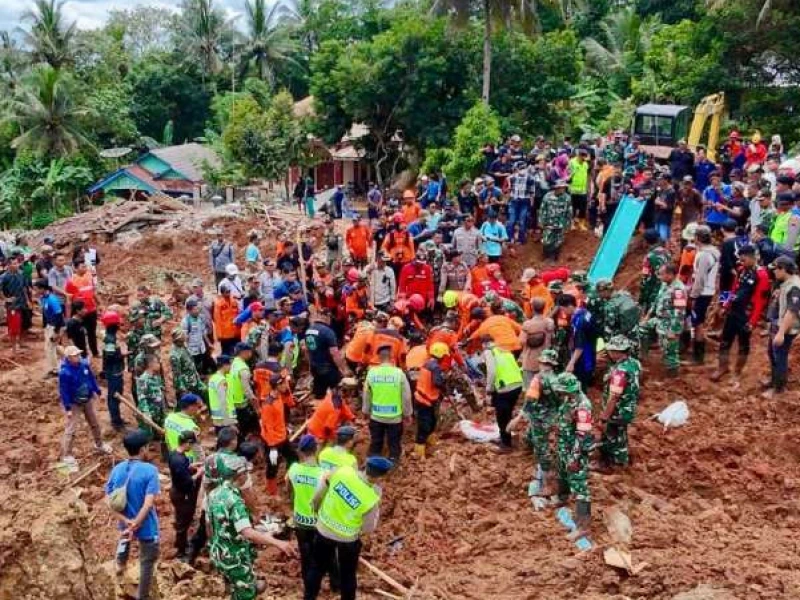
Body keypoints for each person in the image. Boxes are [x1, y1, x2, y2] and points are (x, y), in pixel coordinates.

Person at [207, 455, 296, 600]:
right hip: (234, 557)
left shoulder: (214, 494)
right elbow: (247, 532)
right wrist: (277, 542)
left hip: (219, 552)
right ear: (240, 475)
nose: (248, 476)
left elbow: (210, 525)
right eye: (246, 473)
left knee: (232, 587)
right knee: (246, 594)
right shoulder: (235, 501)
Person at [307, 456, 392, 600]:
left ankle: (308, 597)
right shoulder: (371, 497)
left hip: (324, 529)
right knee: (348, 575)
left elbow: (321, 490)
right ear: (382, 476)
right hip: (348, 539)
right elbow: (368, 528)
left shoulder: (343, 471)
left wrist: (315, 508)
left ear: (365, 466)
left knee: (317, 568)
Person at [105, 430, 161, 600]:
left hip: (125, 522)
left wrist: (127, 521)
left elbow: (107, 500)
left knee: (124, 540)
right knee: (147, 561)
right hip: (146, 525)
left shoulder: (117, 469)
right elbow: (148, 503)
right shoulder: (150, 470)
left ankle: (120, 565)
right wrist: (136, 523)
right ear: (143, 449)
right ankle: (142, 596)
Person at [507, 348, 560, 498]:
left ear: (542, 362)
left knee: (542, 448)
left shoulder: (538, 379)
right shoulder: (557, 379)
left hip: (539, 418)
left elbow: (530, 401)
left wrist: (517, 418)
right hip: (552, 417)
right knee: (532, 435)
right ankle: (527, 448)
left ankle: (547, 480)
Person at [552, 373, 594, 539]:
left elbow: (582, 434)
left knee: (579, 486)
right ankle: (562, 496)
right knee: (562, 472)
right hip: (564, 445)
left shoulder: (583, 406)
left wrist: (575, 457)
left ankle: (583, 526)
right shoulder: (568, 399)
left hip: (576, 449)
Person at [58, 345, 113, 470]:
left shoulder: (84, 365)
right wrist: (68, 408)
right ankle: (67, 455)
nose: (78, 357)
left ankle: (99, 444)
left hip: (86, 399)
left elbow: (91, 379)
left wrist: (97, 392)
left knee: (94, 424)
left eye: (78, 354)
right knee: (71, 429)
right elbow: (64, 391)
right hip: (74, 403)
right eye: (75, 355)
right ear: (69, 357)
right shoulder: (64, 373)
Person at [712, 245, 758, 382]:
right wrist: (725, 305)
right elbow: (733, 289)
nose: (741, 262)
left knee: (743, 343)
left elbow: (760, 301)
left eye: (743, 260)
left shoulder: (761, 274)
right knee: (725, 340)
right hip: (733, 312)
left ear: (752, 257)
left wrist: (753, 321)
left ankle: (738, 371)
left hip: (746, 315)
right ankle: (722, 367)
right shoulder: (741, 270)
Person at [286, 434, 324, 595]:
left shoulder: (294, 469)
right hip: (318, 523)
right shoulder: (324, 474)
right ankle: (314, 589)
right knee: (319, 558)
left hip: (300, 520)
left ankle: (307, 584)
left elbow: (289, 488)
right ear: (316, 450)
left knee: (305, 554)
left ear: (301, 451)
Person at [597, 336, 641, 470]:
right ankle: (619, 460)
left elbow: (614, 397)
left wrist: (604, 417)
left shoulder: (619, 372)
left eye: (611, 350)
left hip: (618, 410)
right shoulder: (634, 363)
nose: (609, 353)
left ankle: (616, 463)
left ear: (617, 352)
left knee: (613, 436)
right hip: (629, 406)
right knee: (620, 434)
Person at [363, 345, 413, 462]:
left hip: (376, 416)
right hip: (394, 418)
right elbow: (406, 396)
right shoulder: (398, 373)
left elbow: (366, 394)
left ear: (379, 358)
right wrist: (407, 414)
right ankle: (393, 464)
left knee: (376, 443)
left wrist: (365, 411)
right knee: (394, 444)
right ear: (391, 357)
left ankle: (372, 466)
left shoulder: (372, 373)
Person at [640, 263, 687, 377]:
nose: (659, 277)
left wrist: (673, 330)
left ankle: (672, 374)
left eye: (661, 274)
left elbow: (680, 312)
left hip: (670, 323)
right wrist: (648, 315)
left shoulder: (678, 290)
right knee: (641, 329)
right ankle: (643, 356)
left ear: (670, 275)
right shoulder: (664, 284)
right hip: (659, 319)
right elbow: (657, 300)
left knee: (669, 349)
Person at [763, 256, 800, 398]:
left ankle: (779, 389)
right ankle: (774, 380)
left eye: (775, 269)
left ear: (783, 269)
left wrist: (781, 333)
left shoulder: (794, 287)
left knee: (780, 356)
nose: (773, 272)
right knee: (772, 353)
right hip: (778, 323)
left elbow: (791, 312)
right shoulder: (785, 283)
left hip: (786, 327)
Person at [482, 335, 524, 452]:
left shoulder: (489, 352)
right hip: (517, 384)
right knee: (508, 413)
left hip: (505, 387)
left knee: (502, 416)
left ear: (484, 344)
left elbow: (491, 372)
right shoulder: (504, 349)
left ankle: (506, 444)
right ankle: (505, 437)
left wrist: (489, 390)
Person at [168, 430, 203, 561]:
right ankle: (181, 552)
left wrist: (191, 466)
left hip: (176, 491)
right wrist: (199, 473)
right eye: (191, 444)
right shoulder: (179, 460)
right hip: (182, 495)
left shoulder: (174, 454)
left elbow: (180, 472)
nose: (192, 447)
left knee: (180, 519)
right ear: (187, 443)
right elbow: (187, 480)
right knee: (184, 522)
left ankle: (180, 543)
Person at [689, 226, 720, 365]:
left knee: (698, 324)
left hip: (702, 293)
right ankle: (697, 353)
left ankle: (698, 357)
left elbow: (700, 279)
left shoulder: (704, 255)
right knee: (698, 322)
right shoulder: (714, 252)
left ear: (698, 238)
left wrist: (693, 296)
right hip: (709, 290)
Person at [305, 310, 349, 398]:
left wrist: (310, 365)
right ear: (326, 317)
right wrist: (343, 369)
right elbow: (335, 354)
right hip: (328, 369)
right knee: (336, 394)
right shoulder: (328, 332)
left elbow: (306, 350)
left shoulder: (309, 330)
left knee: (319, 395)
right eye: (330, 318)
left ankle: (320, 410)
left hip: (315, 368)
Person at [65, 260, 99, 357]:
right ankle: (81, 355)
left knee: (92, 332)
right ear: (75, 268)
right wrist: (68, 316)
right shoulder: (71, 281)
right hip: (79, 312)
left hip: (91, 310)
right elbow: (69, 298)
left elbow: (93, 293)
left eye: (85, 266)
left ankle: (95, 352)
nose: (85, 268)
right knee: (78, 335)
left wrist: (99, 304)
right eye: (82, 267)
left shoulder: (89, 277)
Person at [519, 298, 554, 390]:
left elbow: (522, 341)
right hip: (545, 359)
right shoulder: (549, 322)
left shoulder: (527, 324)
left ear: (532, 308)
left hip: (529, 360)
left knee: (530, 389)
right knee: (544, 388)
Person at [100, 310, 127, 430]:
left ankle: (117, 418)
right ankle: (116, 421)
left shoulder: (110, 337)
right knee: (114, 396)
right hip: (114, 372)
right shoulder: (110, 340)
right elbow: (110, 357)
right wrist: (124, 355)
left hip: (114, 371)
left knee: (116, 395)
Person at [34, 279, 65, 376]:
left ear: (42, 289)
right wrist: (45, 326)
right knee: (53, 346)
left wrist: (56, 331)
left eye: (37, 289)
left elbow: (59, 316)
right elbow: (44, 312)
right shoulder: (43, 298)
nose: (36, 291)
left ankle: (55, 370)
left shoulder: (52, 299)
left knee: (49, 348)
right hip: (49, 325)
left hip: (56, 326)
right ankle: (68, 358)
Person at [0, 256, 30, 352]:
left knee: (25, 323)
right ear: (8, 265)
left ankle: (21, 342)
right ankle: (14, 348)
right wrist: (6, 299)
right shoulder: (4, 277)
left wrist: (28, 300)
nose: (16, 265)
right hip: (12, 305)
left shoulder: (21, 274)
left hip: (23, 302)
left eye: (17, 263)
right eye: (14, 263)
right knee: (13, 326)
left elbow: (24, 288)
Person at [170, 327, 207, 403]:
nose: (185, 336)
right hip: (187, 385)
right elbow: (177, 375)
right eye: (183, 335)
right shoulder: (174, 355)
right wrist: (183, 390)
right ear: (179, 338)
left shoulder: (183, 346)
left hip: (194, 381)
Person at [639, 229, 671, 314]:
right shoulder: (667, 253)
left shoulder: (649, 257)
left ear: (646, 241)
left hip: (654, 293)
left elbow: (645, 279)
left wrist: (642, 299)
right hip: (666, 288)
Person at [539, 180, 572, 260]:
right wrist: (541, 221)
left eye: (564, 188)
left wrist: (568, 224)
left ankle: (554, 258)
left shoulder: (567, 198)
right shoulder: (547, 196)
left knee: (558, 242)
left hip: (560, 224)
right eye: (562, 188)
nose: (563, 189)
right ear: (557, 188)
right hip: (549, 223)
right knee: (547, 241)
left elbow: (569, 211)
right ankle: (545, 255)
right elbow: (543, 209)